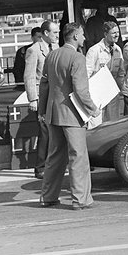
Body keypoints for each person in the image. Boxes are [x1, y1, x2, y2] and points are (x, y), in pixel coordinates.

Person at [39, 22, 100, 210]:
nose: (84, 38)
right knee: (78, 157)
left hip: (53, 112)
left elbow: (44, 85)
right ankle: (81, 199)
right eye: (82, 35)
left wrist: (42, 110)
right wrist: (93, 109)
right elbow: (80, 90)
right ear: (75, 36)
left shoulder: (51, 55)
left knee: (55, 156)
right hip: (72, 114)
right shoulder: (77, 57)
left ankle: (48, 196)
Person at [24, 20, 59, 179]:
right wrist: (33, 98)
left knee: (56, 131)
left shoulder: (56, 48)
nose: (57, 35)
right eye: (55, 32)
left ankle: (55, 164)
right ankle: (40, 167)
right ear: (46, 33)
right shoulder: (34, 50)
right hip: (42, 96)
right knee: (44, 132)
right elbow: (29, 76)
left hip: (55, 96)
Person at [85, 20, 125, 120]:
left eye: (118, 32)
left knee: (113, 122)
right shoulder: (94, 50)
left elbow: (121, 72)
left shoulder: (118, 50)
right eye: (113, 33)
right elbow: (87, 73)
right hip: (98, 93)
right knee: (98, 122)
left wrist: (119, 89)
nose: (117, 35)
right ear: (106, 34)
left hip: (113, 93)